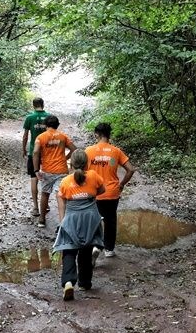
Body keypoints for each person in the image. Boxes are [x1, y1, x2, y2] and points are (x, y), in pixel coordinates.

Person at [52, 149, 105, 300]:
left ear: (72, 164)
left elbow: (62, 200)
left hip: (72, 218)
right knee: (86, 250)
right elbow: (102, 190)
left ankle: (68, 282)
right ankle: (84, 282)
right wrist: (88, 195)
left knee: (69, 249)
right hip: (90, 219)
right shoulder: (94, 176)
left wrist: (62, 221)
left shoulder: (66, 181)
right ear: (87, 163)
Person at [85, 122, 136, 260]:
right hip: (112, 192)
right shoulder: (116, 151)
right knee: (110, 220)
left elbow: (81, 171)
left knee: (94, 220)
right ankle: (109, 249)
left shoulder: (88, 151)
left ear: (96, 135)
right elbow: (131, 169)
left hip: (94, 192)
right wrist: (122, 184)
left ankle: (95, 246)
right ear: (109, 135)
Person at [32, 115, 74, 228]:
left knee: (45, 194)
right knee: (60, 196)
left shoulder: (40, 137)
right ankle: (63, 222)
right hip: (62, 170)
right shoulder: (63, 136)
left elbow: (35, 152)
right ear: (57, 125)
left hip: (47, 170)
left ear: (45, 125)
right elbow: (74, 149)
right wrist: (65, 158)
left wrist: (36, 170)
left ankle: (42, 219)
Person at [22, 98, 51, 216]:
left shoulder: (29, 117)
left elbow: (25, 136)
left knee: (34, 178)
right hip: (46, 152)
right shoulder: (49, 117)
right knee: (45, 177)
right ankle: (45, 204)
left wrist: (24, 149)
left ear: (33, 105)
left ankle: (35, 207)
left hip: (33, 152)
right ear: (43, 104)